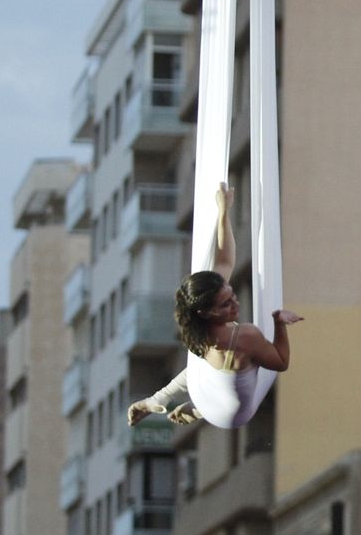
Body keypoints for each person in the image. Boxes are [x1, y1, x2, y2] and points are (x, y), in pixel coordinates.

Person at [128, 184, 303, 429]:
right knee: (206, 370)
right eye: (226, 304)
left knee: (197, 367)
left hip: (218, 386)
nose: (235, 304)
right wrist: (279, 323)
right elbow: (281, 362)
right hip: (234, 412)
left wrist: (223, 212)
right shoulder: (245, 336)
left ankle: (160, 401)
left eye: (232, 296)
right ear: (207, 311)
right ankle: (199, 406)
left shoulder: (197, 329)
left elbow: (224, 258)